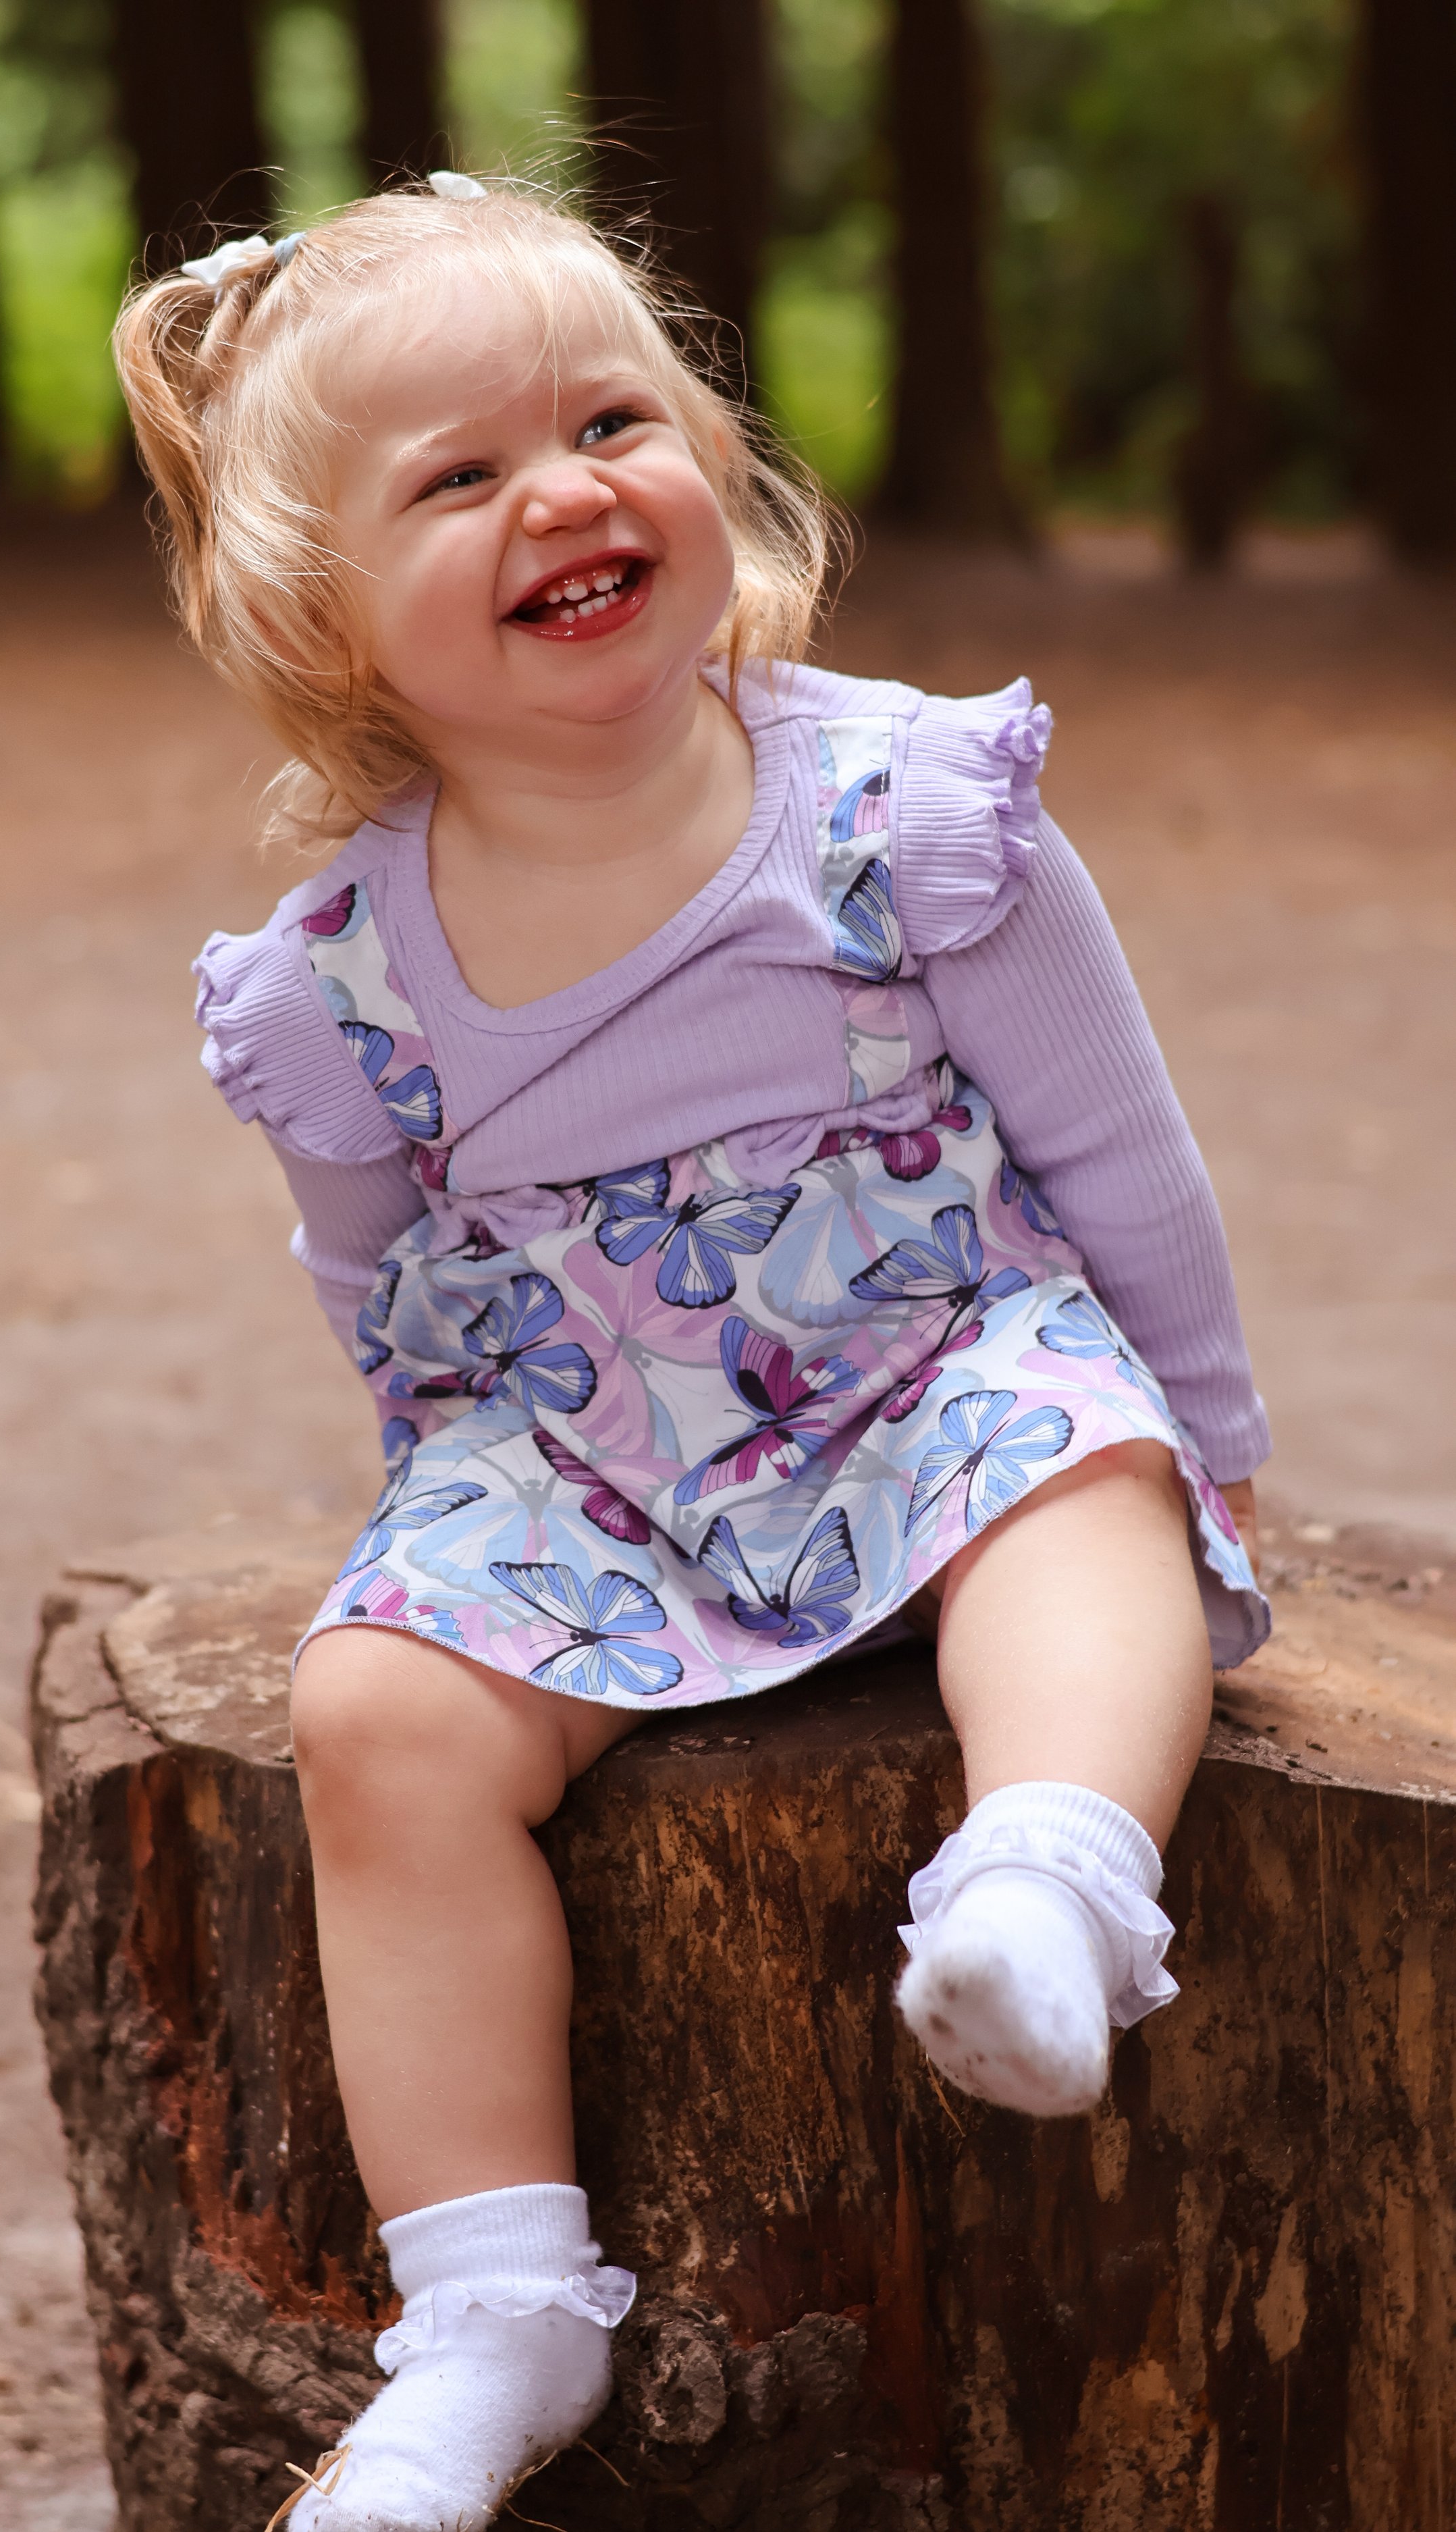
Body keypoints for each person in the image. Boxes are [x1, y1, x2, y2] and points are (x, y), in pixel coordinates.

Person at [114, 175, 1269, 2532]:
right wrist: (460, 1540)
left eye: (609, 416)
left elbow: (1124, 1166)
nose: (562, 488)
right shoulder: (343, 981)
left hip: (937, 1355)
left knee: (1075, 1488)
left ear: (707, 460)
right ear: (325, 614)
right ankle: (496, 2315)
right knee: (373, 1709)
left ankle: (1037, 1890)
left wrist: (1199, 1464)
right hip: (589, 1447)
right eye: (455, 477)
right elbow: (383, 1301)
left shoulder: (900, 810)